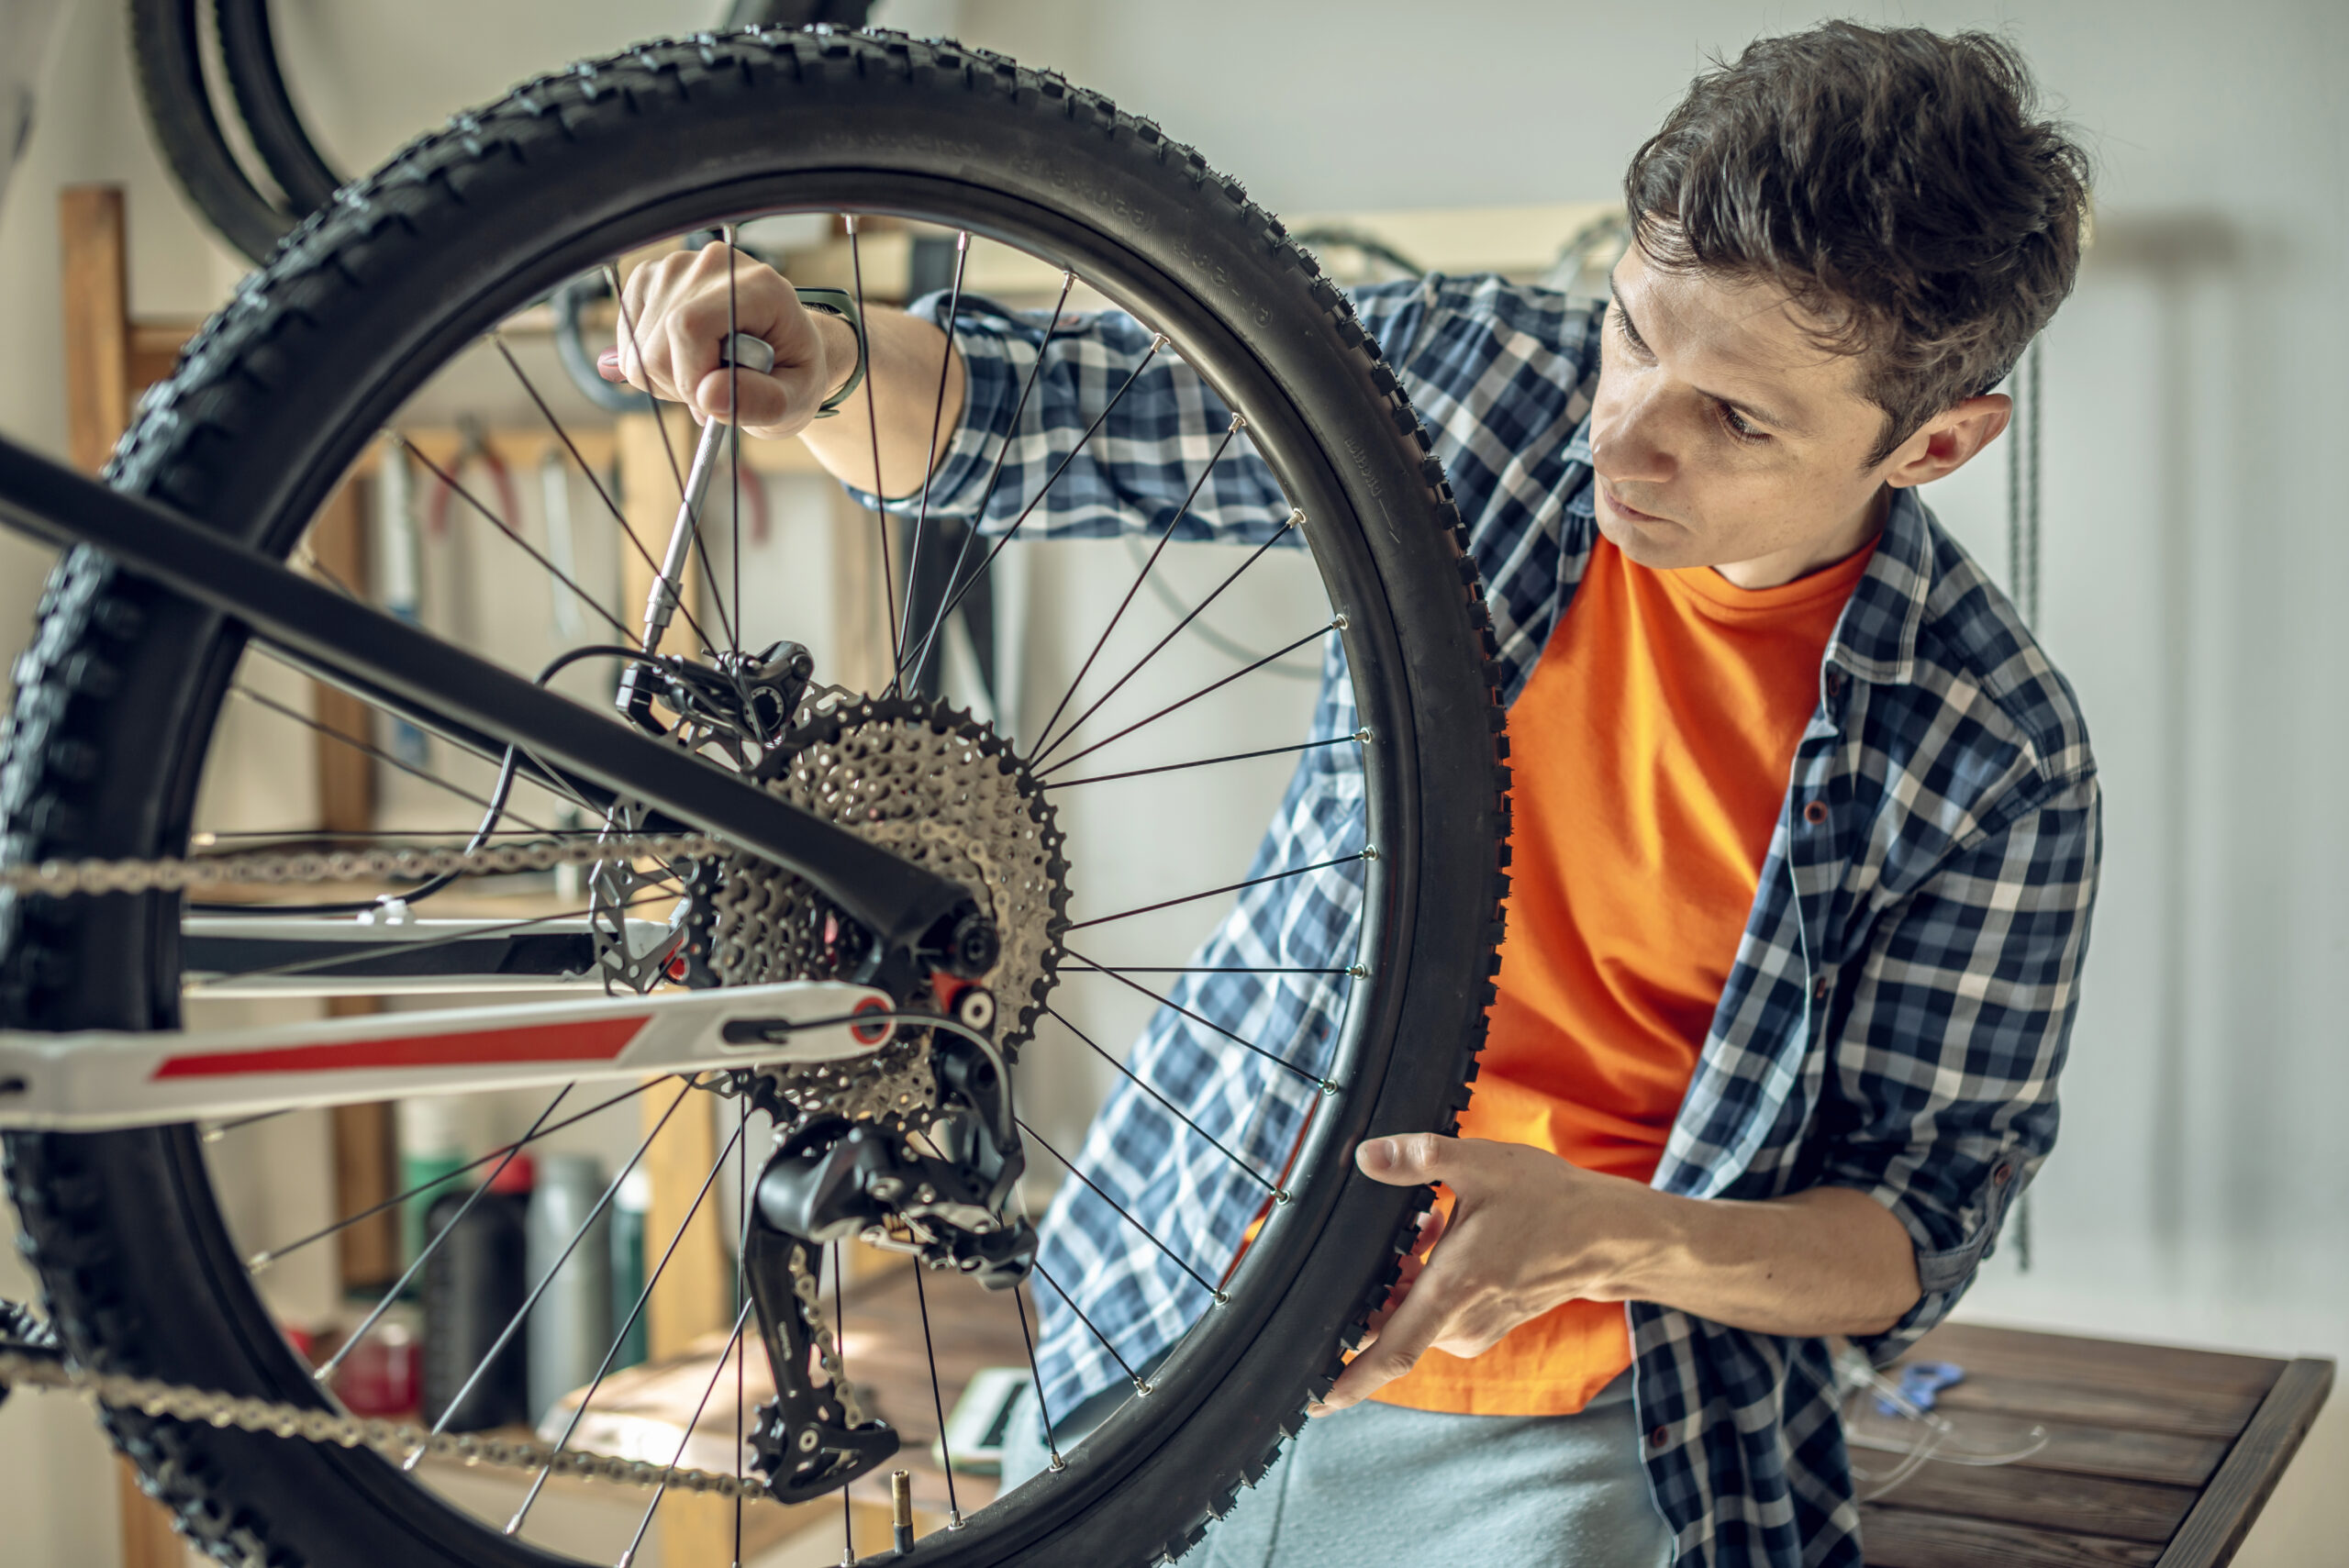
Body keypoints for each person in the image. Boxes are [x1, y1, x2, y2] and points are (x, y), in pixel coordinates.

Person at [607, 21, 2099, 1568]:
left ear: (1936, 442)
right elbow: (1071, 416)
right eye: (1637, 334)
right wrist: (823, 361)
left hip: (1582, 1433)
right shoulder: (1490, 387)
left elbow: (1908, 1231)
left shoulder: (1993, 757)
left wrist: (1608, 1231)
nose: (1627, 436)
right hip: (1175, 1308)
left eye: (1736, 418)